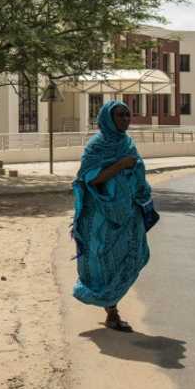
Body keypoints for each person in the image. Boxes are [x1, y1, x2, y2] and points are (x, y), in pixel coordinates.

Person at [71, 100, 155, 332]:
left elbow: (137, 172)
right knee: (106, 262)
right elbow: (89, 178)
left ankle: (111, 307)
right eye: (120, 115)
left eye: (128, 115)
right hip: (103, 216)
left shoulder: (128, 143)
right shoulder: (96, 146)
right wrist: (120, 165)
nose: (125, 120)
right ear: (108, 118)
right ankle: (112, 311)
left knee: (136, 254)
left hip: (129, 212)